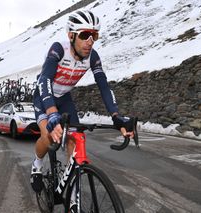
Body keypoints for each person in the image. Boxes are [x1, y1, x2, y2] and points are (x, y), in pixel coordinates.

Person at [30, 9, 136, 200]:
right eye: (85, 34)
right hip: (44, 95)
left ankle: (73, 191)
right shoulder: (58, 49)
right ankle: (37, 164)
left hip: (65, 98)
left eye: (94, 35)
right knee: (49, 135)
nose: (90, 41)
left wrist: (116, 116)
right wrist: (52, 112)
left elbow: (104, 87)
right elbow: (45, 79)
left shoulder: (92, 57)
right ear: (71, 35)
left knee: (75, 138)